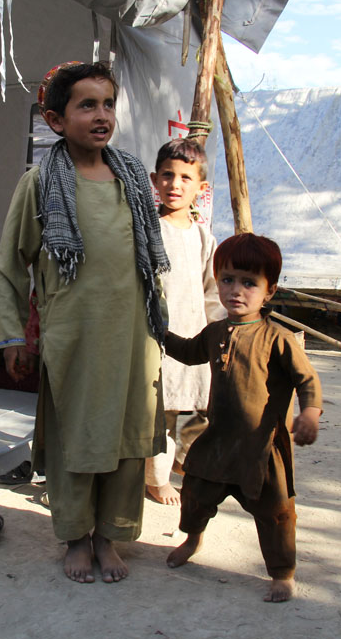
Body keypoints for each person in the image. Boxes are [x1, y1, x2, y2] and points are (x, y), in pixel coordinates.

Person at [0, 61, 168, 584]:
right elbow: (10, 264)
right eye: (86, 105)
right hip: (74, 335)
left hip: (132, 336)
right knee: (79, 434)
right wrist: (12, 335)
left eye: (108, 104)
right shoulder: (40, 183)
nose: (101, 115)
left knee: (127, 436)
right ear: (55, 119)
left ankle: (109, 536)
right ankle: (75, 536)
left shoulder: (133, 180)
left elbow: (148, 262)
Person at [163, 233, 323, 602]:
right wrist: (159, 332)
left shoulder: (277, 338)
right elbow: (188, 352)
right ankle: (193, 540)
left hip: (261, 449)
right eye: (228, 279)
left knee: (276, 514)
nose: (236, 290)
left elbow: (307, 380)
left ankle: (282, 572)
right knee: (195, 494)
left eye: (250, 282)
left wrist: (310, 414)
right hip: (218, 441)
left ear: (270, 291)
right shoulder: (216, 332)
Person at [145, 138, 224, 506]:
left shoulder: (203, 237)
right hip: (158, 340)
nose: (175, 185)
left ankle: (182, 460)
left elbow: (213, 291)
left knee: (200, 406)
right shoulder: (148, 231)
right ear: (154, 180)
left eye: (185, 178)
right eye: (167, 175)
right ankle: (156, 480)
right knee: (160, 414)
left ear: (201, 188)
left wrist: (219, 332)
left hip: (195, 338)